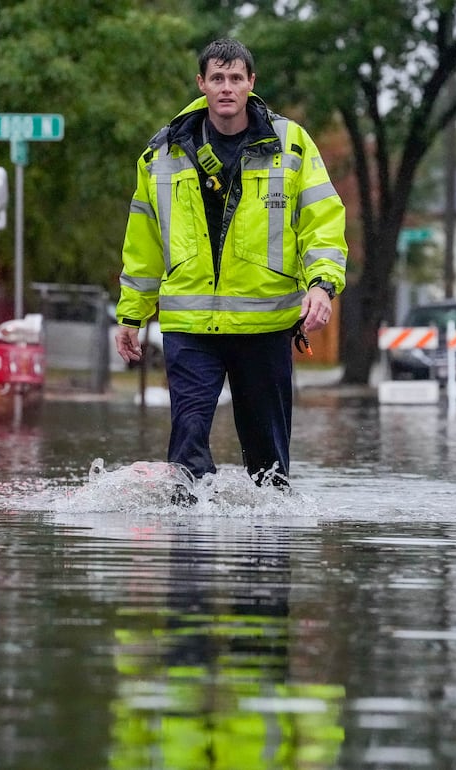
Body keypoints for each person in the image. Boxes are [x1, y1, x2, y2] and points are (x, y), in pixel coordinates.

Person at [114, 38, 348, 498]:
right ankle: (188, 544)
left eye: (236, 78)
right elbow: (143, 242)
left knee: (268, 464)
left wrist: (322, 284)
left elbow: (322, 221)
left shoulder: (291, 145)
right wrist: (131, 313)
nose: (227, 88)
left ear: (251, 83)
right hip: (190, 325)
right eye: (217, 78)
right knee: (188, 442)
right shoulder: (162, 154)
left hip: (264, 324)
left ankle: (265, 554)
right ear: (201, 84)